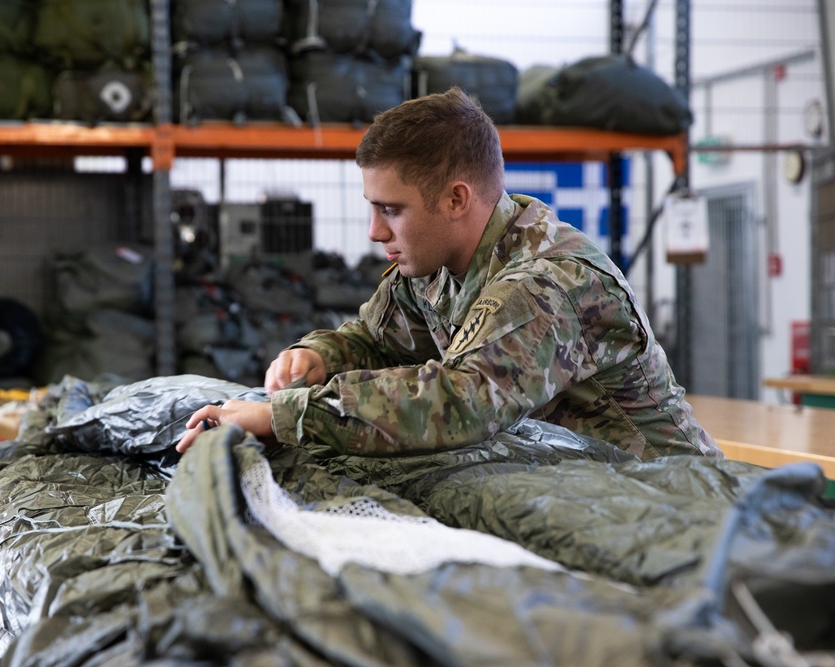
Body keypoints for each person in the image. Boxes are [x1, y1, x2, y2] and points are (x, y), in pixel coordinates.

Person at [177, 86, 720, 461]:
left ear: (456, 199)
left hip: (671, 499)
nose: (374, 232)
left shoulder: (546, 284)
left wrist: (284, 415)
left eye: (391, 210)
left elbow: (457, 403)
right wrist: (319, 357)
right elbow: (375, 339)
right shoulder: (432, 268)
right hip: (583, 489)